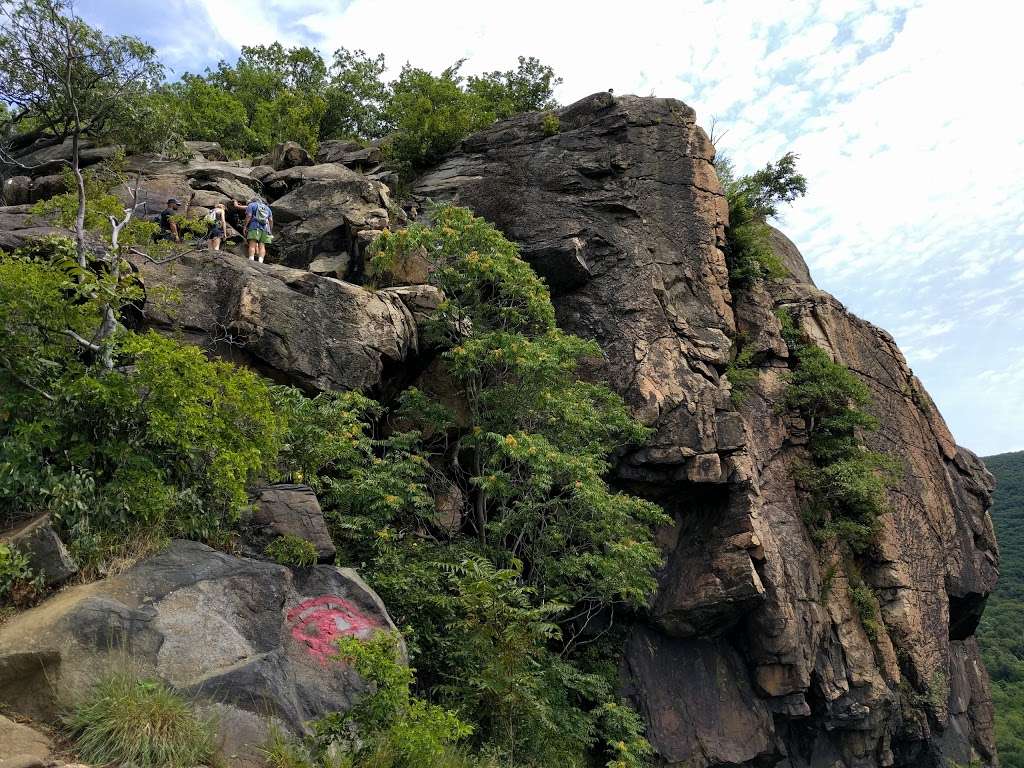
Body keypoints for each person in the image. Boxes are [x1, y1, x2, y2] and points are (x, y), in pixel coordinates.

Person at [238, 197, 273, 263]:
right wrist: (270, 230)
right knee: (262, 245)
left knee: (252, 244)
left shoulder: (251, 205)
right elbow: (270, 220)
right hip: (265, 228)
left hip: (254, 226)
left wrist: (245, 226)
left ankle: (251, 260)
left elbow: (249, 216)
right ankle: (261, 261)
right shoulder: (267, 208)